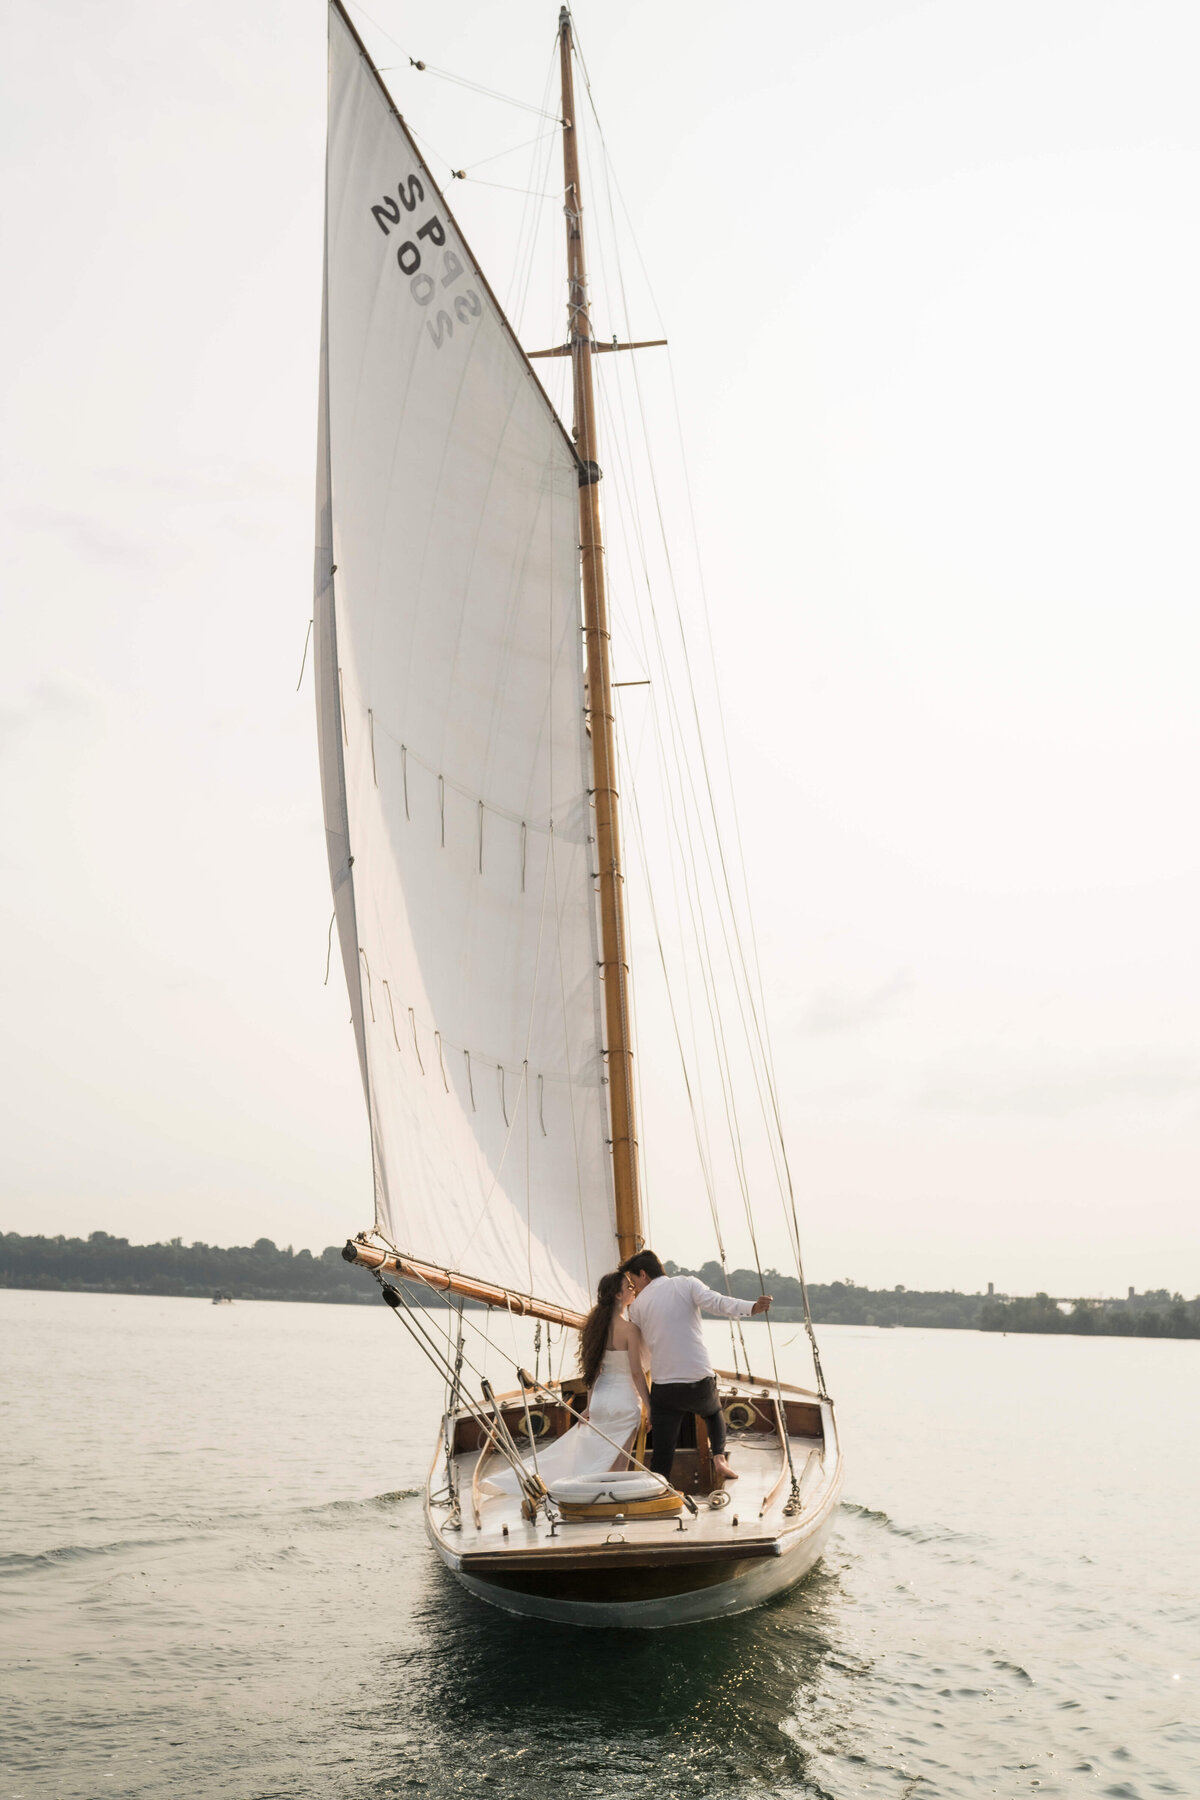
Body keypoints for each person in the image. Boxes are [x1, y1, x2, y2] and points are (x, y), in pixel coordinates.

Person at [485, 1270, 651, 1494]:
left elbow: (593, 1374)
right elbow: (636, 1373)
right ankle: (610, 1500)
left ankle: (590, 1493)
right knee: (619, 1462)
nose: (633, 1290)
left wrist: (589, 1407)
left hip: (601, 1402)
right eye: (629, 1287)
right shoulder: (630, 1330)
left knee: (598, 1453)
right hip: (625, 1402)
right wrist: (651, 1407)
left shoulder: (596, 1329)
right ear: (618, 1295)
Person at [620, 1249, 772, 1486]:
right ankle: (719, 1458)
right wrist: (752, 1307)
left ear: (643, 1274)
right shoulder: (687, 1284)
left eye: (634, 1281)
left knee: (662, 1453)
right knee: (713, 1413)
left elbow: (641, 1352)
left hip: (665, 1389)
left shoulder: (636, 1308)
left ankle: (660, 1487)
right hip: (698, 1381)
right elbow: (719, 1303)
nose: (635, 1287)